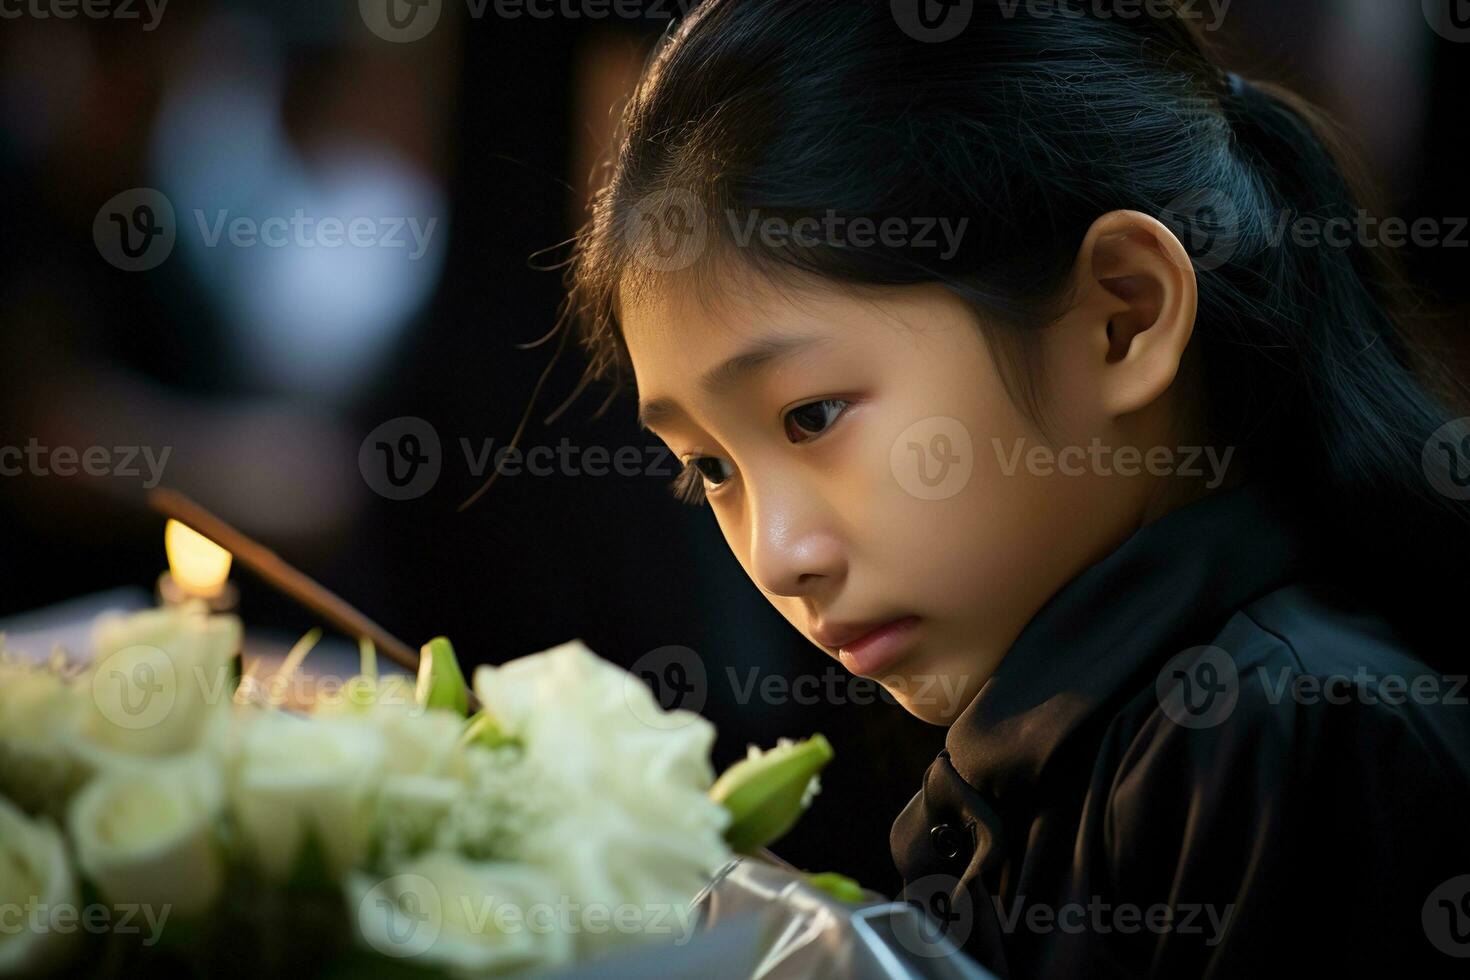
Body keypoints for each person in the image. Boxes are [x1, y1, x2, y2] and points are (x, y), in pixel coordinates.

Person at [546, 1, 1470, 975]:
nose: (779, 553)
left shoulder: (1294, 738)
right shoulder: (1068, 743)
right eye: (712, 469)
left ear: (1122, 315)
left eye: (813, 415)